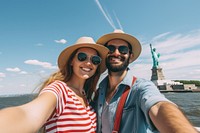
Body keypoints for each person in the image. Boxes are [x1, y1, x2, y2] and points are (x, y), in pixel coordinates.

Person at [94, 29, 198, 133]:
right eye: (110, 49)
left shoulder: (141, 87)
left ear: (130, 56)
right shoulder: (98, 91)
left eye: (123, 49)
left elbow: (159, 106)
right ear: (104, 55)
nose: (116, 53)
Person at [0, 36, 109, 133]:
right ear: (71, 61)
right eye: (82, 57)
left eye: (95, 59)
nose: (89, 63)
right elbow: (28, 114)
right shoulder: (60, 89)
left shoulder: (85, 95)